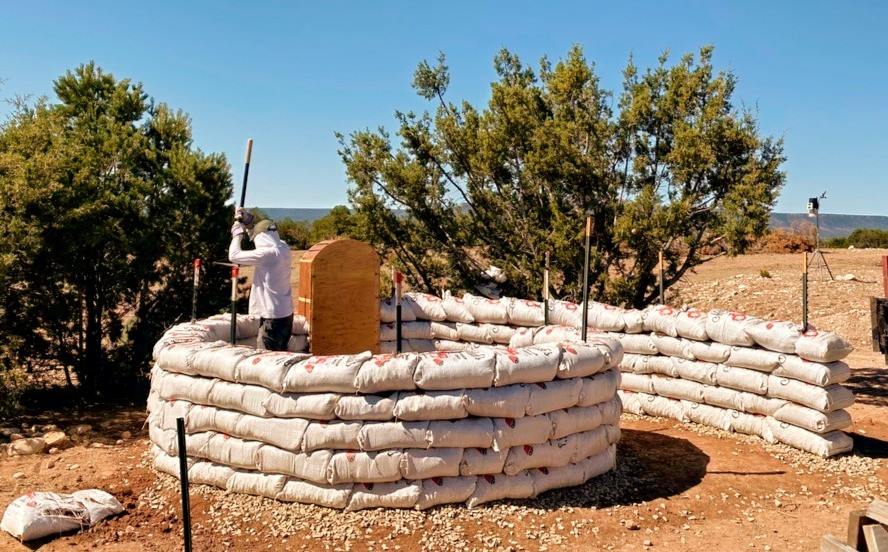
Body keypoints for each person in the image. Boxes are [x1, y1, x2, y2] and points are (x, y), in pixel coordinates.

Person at [229, 207, 294, 351]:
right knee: (280, 355)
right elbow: (261, 235)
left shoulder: (267, 255)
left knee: (267, 358)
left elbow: (234, 256)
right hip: (285, 314)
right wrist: (248, 221)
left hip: (272, 318)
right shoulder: (283, 247)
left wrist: (237, 233)